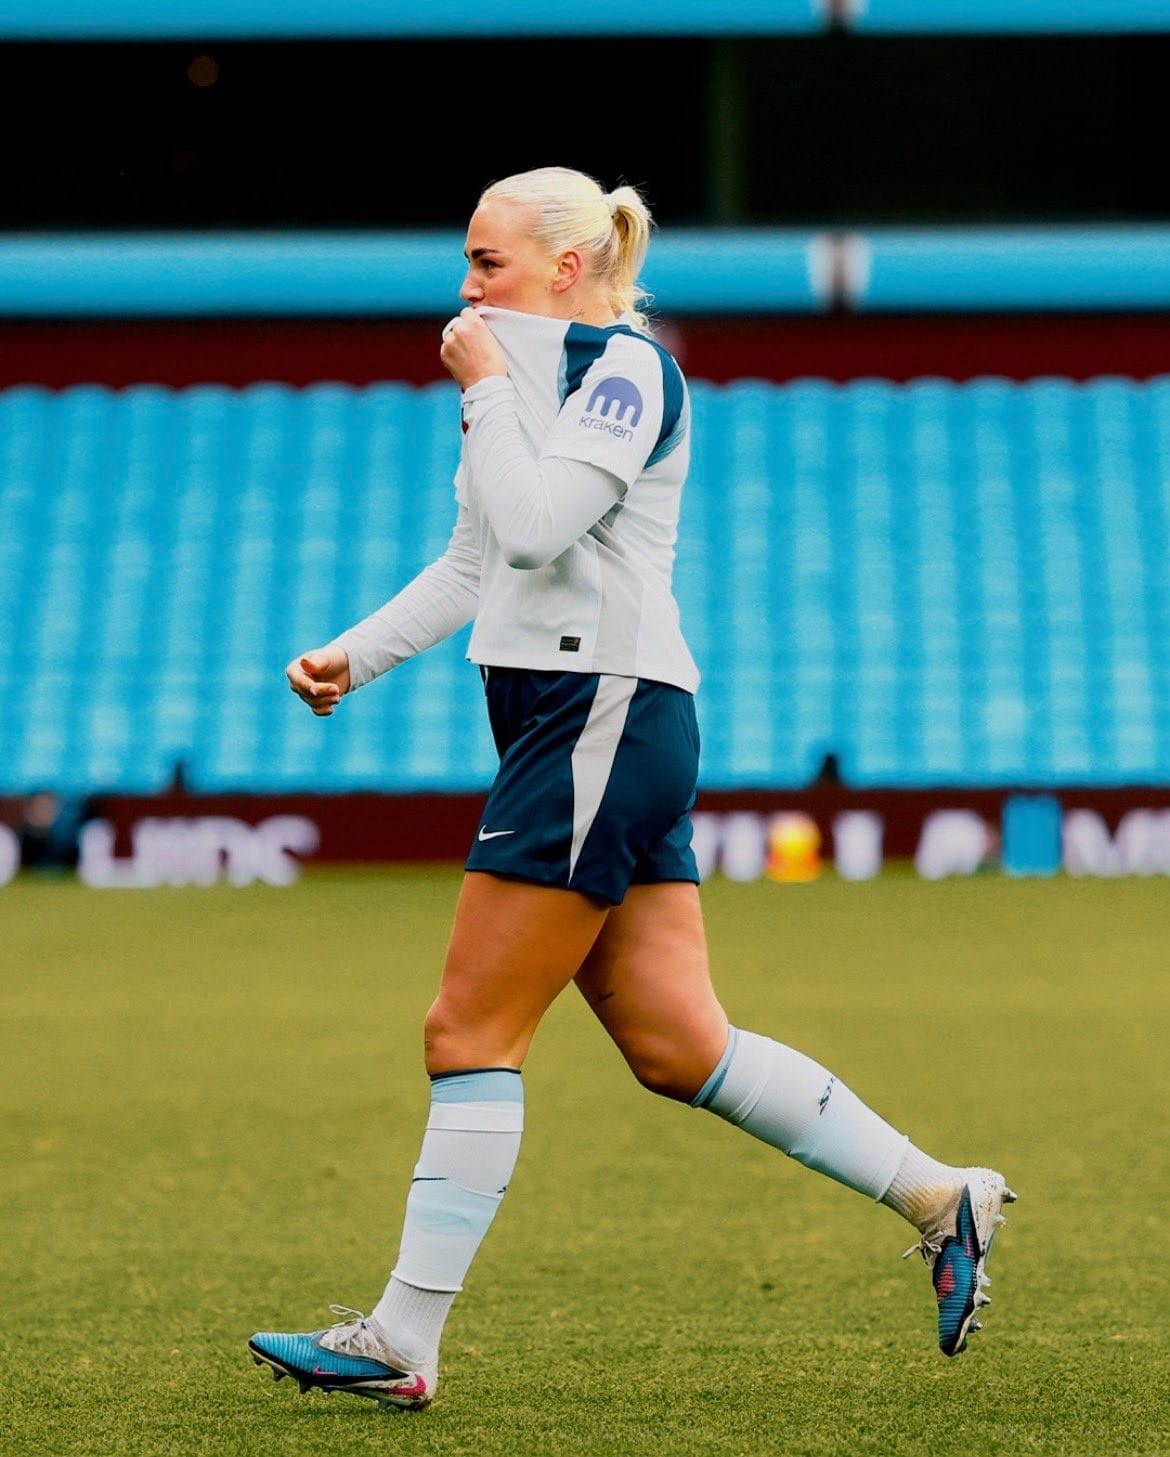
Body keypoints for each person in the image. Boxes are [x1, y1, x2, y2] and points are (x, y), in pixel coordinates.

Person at [247, 166, 1015, 1412]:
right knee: (676, 1041)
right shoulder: (526, 379)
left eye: (485, 261)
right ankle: (943, 1195)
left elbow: (543, 527)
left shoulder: (625, 370)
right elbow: (476, 558)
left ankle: (401, 1337)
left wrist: (488, 388)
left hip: (598, 711)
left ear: (564, 264)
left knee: (467, 1031)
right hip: (592, 718)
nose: (464, 287)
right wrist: (358, 652)